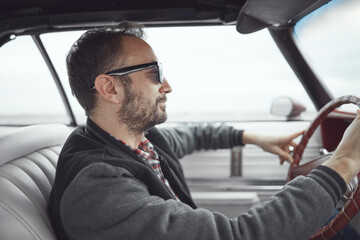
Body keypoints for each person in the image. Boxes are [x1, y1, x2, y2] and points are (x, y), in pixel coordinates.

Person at [48, 21, 360, 240]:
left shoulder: (136, 141)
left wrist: (251, 138)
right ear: (110, 88)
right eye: (154, 72)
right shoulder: (98, 189)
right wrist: (343, 162)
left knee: (331, 220)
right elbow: (240, 236)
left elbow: (194, 135)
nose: (167, 85)